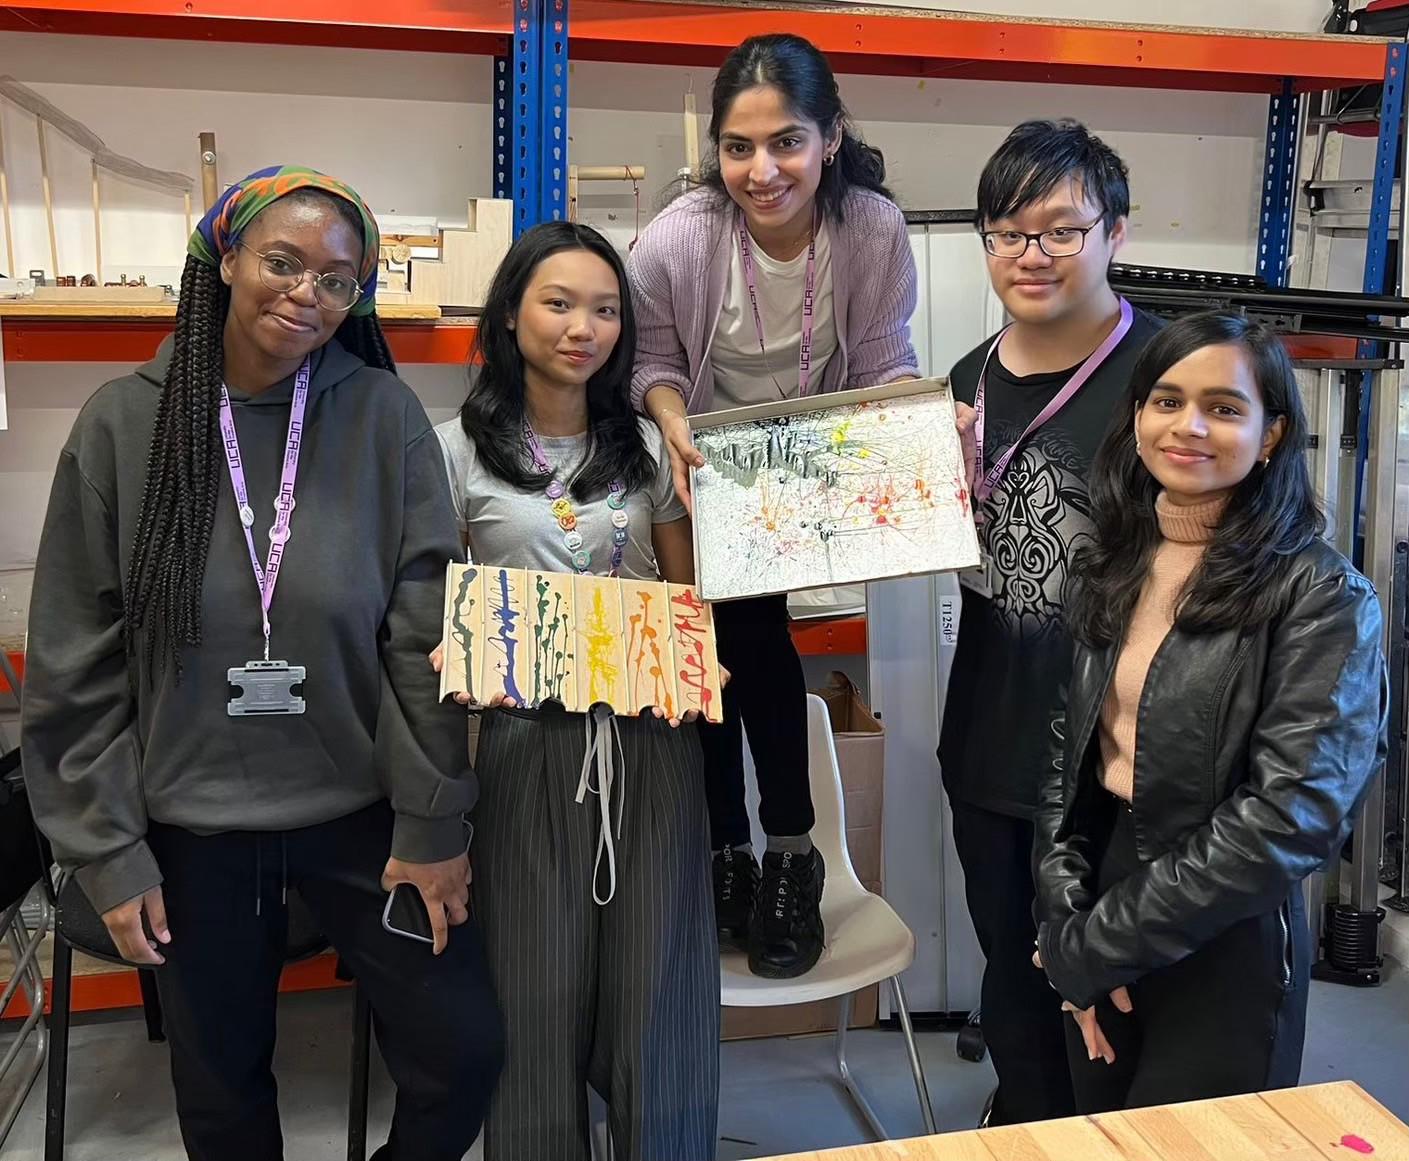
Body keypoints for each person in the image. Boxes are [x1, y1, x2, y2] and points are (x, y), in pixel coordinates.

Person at [21, 166, 503, 1160]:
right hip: (189, 821)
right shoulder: (124, 424)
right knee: (221, 1097)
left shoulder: (383, 420)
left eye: (336, 280)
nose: (307, 294)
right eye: (283, 262)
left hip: (366, 814)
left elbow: (426, 636)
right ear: (227, 259)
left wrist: (433, 818)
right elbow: (75, 661)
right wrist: (107, 851)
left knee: (462, 1052)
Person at [1034, 310, 1387, 1110]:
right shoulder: (1112, 563)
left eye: (1223, 408)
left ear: (1269, 436)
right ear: (1137, 416)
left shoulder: (1321, 595)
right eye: (1166, 400)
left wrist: (1096, 945)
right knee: (1101, 1131)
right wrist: (1061, 916)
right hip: (1102, 887)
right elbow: (1067, 754)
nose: (1187, 426)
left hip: (1227, 920)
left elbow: (1290, 816)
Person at [627, 31, 921, 978]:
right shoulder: (680, 236)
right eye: (738, 147)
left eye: (787, 142)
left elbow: (881, 357)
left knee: (746, 642)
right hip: (695, 469)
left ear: (829, 137)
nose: (762, 170)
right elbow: (651, 361)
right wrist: (674, 422)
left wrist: (915, 422)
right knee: (716, 649)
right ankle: (750, 854)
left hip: (802, 472)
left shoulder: (869, 229)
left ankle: (769, 856)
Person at [433, 221, 718, 1161]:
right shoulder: (453, 451)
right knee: (530, 986)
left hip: (652, 738)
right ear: (510, 313)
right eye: (557, 303)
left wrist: (700, 651)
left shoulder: (646, 447)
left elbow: (685, 595)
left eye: (603, 309)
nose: (581, 328)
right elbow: (429, 605)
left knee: (659, 984)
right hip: (520, 744)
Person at [937, 119, 1163, 1125]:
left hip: (1122, 753)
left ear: (1115, 231)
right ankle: (1024, 1122)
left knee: (1120, 988)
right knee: (1013, 974)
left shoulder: (1168, 377)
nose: (1030, 254)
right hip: (989, 738)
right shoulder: (960, 383)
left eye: (1060, 230)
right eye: (1006, 232)